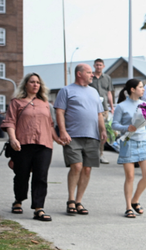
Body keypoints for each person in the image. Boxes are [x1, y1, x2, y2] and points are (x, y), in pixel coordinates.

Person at [2, 73, 61, 221]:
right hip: (23, 144)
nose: (35, 85)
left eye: (38, 82)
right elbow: (10, 122)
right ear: (26, 84)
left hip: (44, 144)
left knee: (41, 176)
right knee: (21, 175)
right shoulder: (16, 102)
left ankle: (38, 208)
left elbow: (50, 125)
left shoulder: (45, 103)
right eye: (32, 82)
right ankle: (18, 199)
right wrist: (13, 139)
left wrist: (58, 139)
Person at [54, 63, 107, 216]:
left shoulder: (94, 92)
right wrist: (62, 131)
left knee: (87, 169)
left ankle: (79, 201)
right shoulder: (66, 90)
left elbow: (99, 114)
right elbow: (59, 112)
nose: (92, 75)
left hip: (92, 136)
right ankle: (70, 200)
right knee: (76, 166)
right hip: (72, 136)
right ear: (79, 74)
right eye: (89, 72)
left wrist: (103, 130)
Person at [111, 79, 146, 218]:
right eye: (140, 87)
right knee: (130, 177)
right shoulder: (121, 106)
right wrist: (127, 127)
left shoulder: (145, 105)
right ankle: (128, 207)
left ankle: (135, 200)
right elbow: (114, 125)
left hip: (143, 143)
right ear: (132, 89)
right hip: (128, 143)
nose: (143, 89)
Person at [88, 58, 114, 164]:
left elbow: (109, 93)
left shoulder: (107, 78)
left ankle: (101, 154)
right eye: (97, 65)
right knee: (91, 131)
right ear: (94, 66)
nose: (98, 67)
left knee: (103, 131)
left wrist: (111, 106)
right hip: (91, 108)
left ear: (103, 66)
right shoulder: (90, 77)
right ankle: (90, 153)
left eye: (100, 65)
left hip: (103, 109)